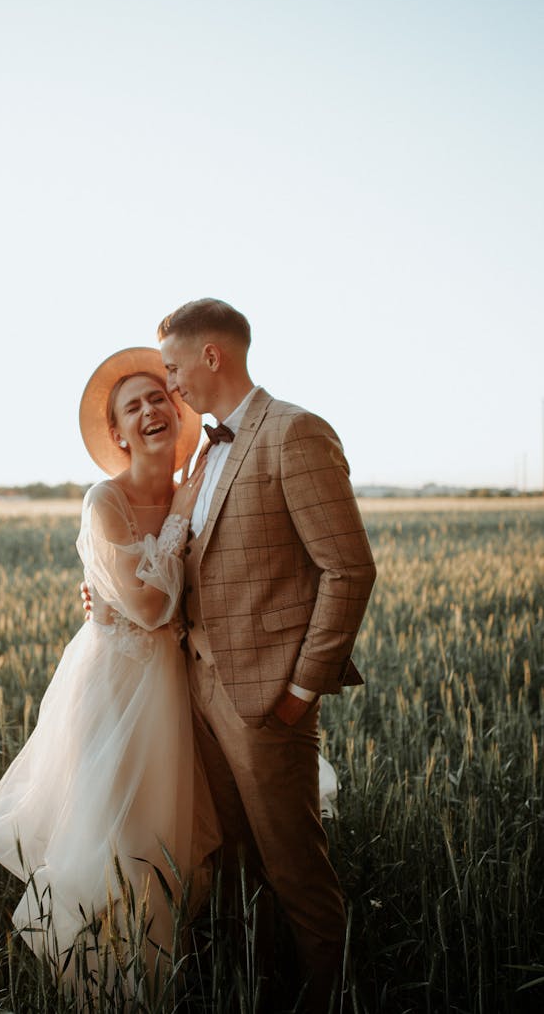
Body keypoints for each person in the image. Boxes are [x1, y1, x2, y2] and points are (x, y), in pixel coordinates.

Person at [157, 298, 377, 1014]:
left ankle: (328, 1000)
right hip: (198, 693)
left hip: (267, 700)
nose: (171, 382)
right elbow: (178, 565)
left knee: (297, 874)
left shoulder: (294, 432)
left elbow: (349, 570)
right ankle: (256, 988)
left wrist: (300, 691)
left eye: (173, 365)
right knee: (234, 868)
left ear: (211, 355)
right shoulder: (200, 456)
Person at [0, 347, 221, 988]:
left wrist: (183, 518)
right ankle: (100, 980)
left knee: (175, 834)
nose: (149, 411)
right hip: (116, 685)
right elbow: (145, 608)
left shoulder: (196, 490)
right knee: (115, 826)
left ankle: (165, 972)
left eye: (158, 398)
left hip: (181, 682)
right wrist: (174, 532)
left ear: (177, 408)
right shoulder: (103, 500)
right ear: (116, 432)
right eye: (132, 406)